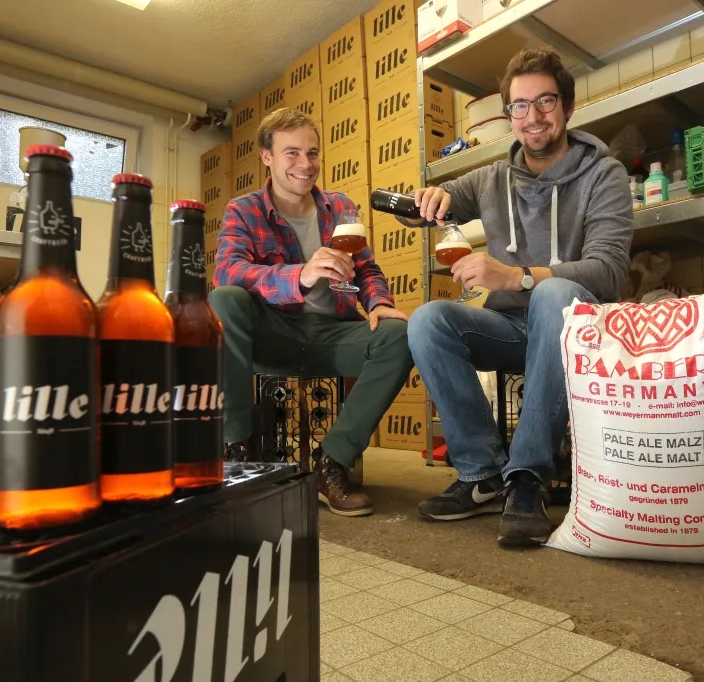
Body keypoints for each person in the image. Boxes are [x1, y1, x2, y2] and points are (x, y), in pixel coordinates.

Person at [405, 49, 634, 546]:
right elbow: (420, 207)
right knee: (428, 320)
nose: (533, 116)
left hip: (581, 333)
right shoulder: (492, 179)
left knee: (552, 293)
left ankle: (528, 476)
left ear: (568, 107)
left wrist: (516, 277)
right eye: (520, 106)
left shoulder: (604, 175)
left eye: (545, 101)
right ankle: (481, 475)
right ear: (509, 116)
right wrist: (419, 203)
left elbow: (609, 271)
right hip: (512, 330)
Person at [211, 107, 413, 517]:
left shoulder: (339, 206)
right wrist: (297, 275)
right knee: (224, 300)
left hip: (335, 334)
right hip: (275, 334)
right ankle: (237, 448)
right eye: (292, 153)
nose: (306, 165)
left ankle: (332, 462)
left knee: (402, 333)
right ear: (266, 156)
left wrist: (378, 303)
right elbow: (227, 270)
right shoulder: (243, 210)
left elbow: (367, 269)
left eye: (313, 153)